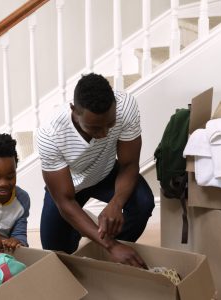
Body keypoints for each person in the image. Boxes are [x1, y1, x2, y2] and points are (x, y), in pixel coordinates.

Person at [37, 73, 154, 268]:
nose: (104, 134)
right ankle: (95, 235)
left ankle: (110, 260)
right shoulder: (50, 134)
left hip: (105, 172)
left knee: (143, 202)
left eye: (110, 124)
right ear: (74, 111)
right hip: (70, 185)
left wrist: (116, 204)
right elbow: (64, 201)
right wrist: (110, 244)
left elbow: (129, 164)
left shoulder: (126, 106)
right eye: (94, 128)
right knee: (56, 254)